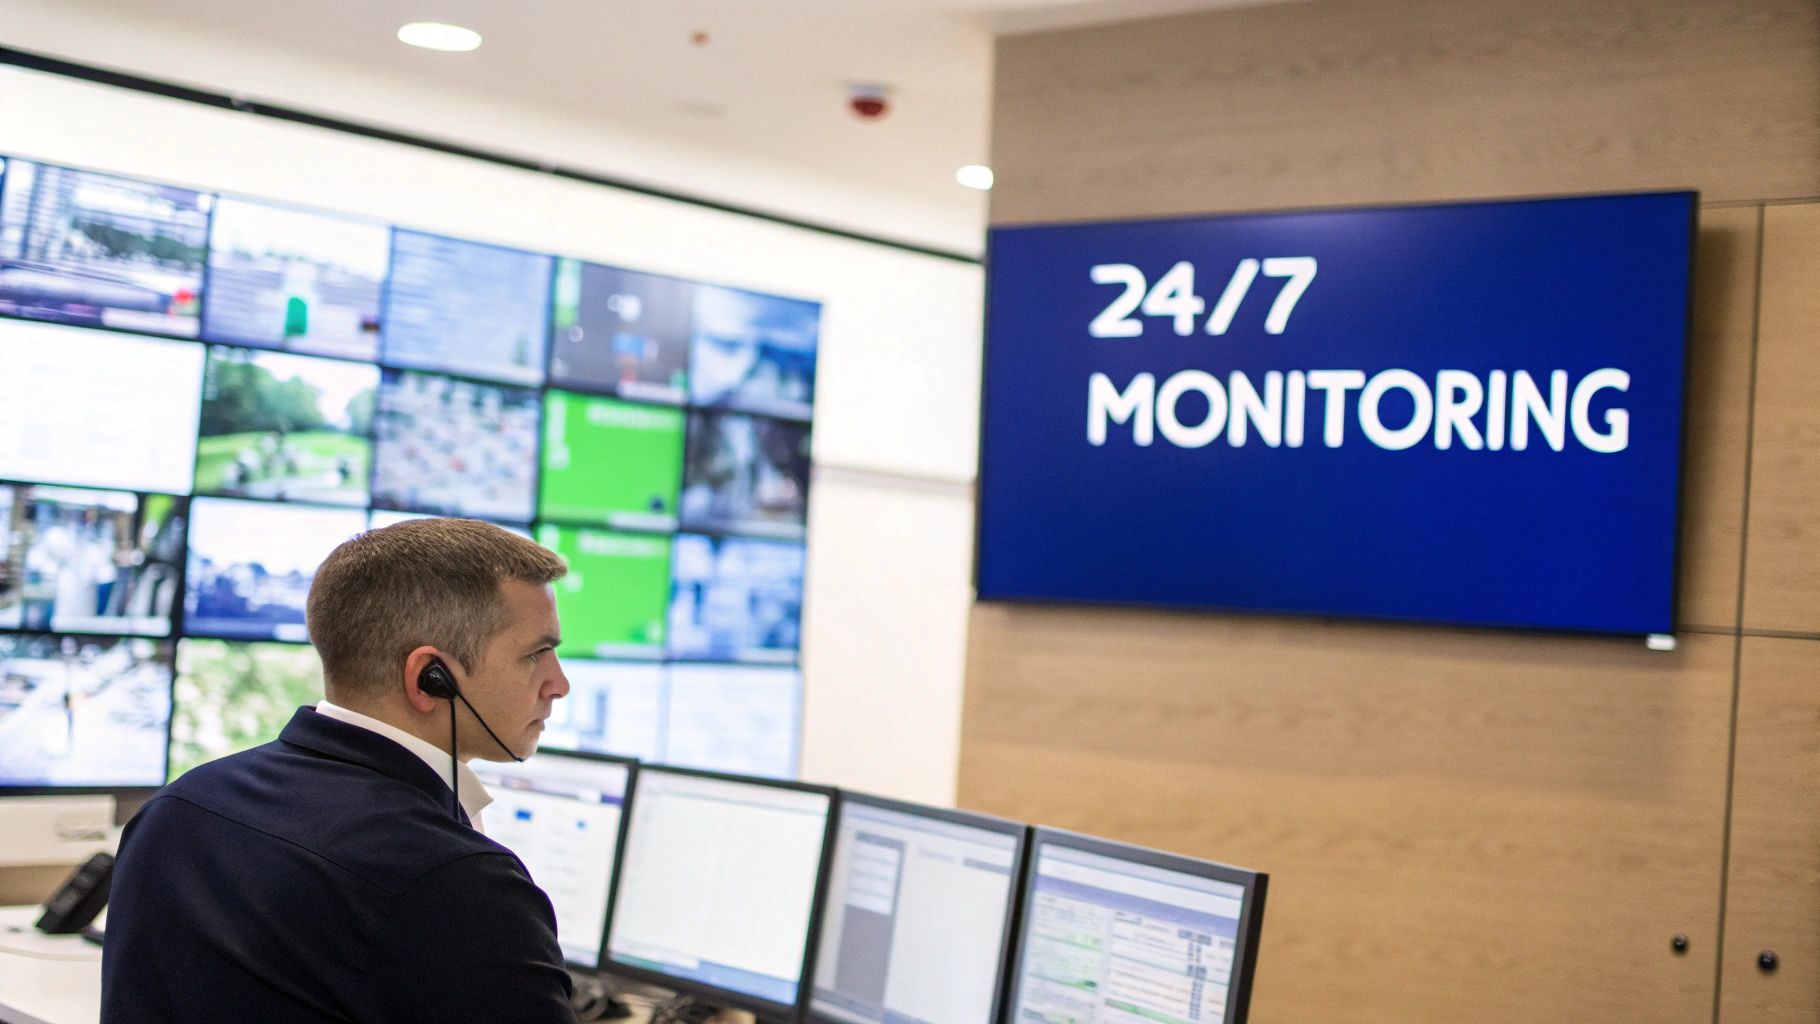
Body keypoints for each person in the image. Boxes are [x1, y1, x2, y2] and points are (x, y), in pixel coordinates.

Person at [101, 518, 578, 1023]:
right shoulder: (455, 881)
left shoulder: (178, 806)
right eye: (536, 654)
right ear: (428, 679)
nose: (559, 683)